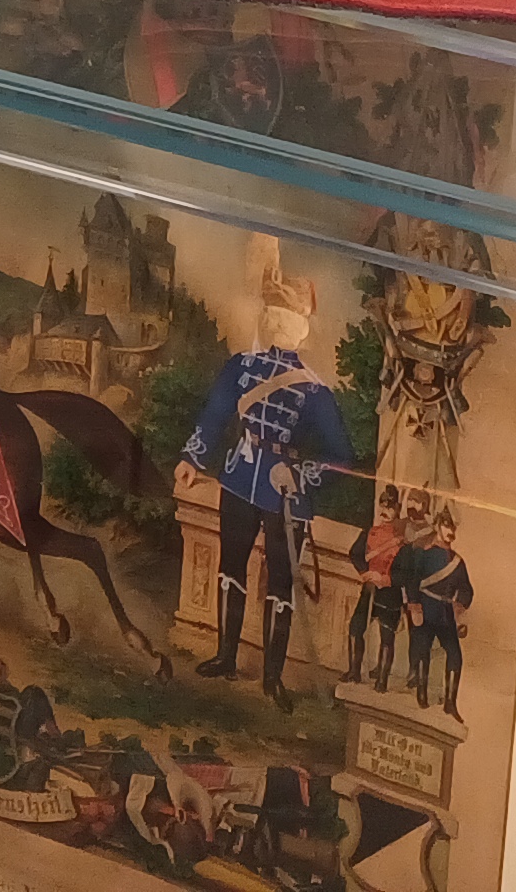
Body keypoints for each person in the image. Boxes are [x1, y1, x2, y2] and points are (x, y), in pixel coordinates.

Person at [183, 265, 356, 704]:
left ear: (297, 326)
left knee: (280, 584)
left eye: (286, 316)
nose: (279, 322)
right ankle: (226, 657)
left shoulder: (315, 391)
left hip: (286, 494)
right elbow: (215, 413)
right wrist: (192, 457)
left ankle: (271, 679)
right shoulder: (240, 368)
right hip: (240, 477)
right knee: (231, 569)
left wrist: (301, 475)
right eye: (276, 314)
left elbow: (342, 456)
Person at [393, 502, 472, 715]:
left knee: (455, 656)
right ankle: (421, 696)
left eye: (452, 527)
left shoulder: (458, 562)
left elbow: (467, 590)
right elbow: (412, 580)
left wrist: (459, 605)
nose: (450, 531)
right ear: (437, 526)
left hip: (445, 613)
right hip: (425, 607)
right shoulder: (423, 554)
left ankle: (450, 704)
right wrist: (414, 605)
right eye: (446, 526)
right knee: (422, 650)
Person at [343, 488, 409, 687]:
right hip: (369, 589)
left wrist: (385, 578)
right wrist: (365, 573)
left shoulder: (402, 542)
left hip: (390, 594)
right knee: (356, 627)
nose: (385, 510)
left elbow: (405, 573)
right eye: (383, 506)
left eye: (390, 507)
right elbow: (355, 553)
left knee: (387, 636)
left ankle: (382, 681)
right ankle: (354, 672)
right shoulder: (370, 533)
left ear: (397, 510)